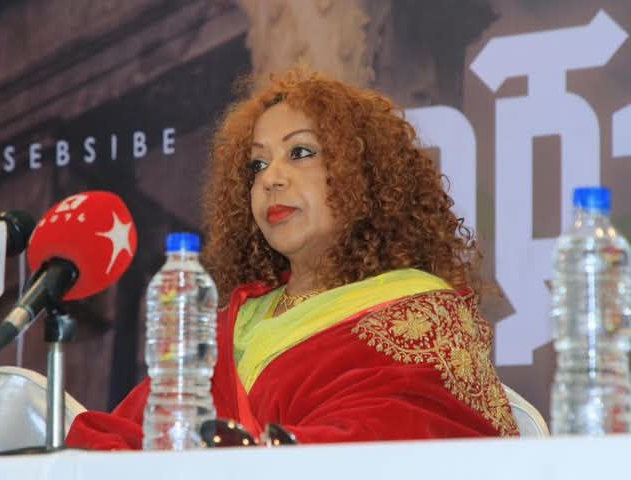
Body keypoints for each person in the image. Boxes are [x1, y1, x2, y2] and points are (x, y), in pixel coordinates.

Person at [66, 69, 519, 450]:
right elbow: (126, 435)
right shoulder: (230, 324)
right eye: (257, 165)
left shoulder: (421, 313)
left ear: (363, 175)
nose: (271, 179)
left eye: (300, 153)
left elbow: (404, 440)